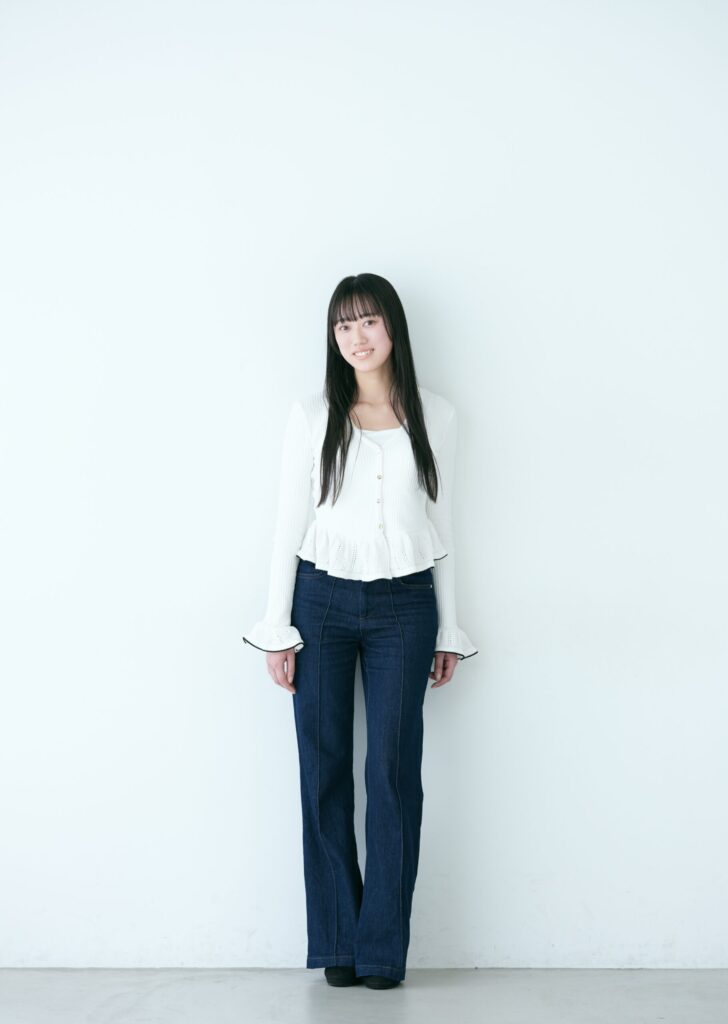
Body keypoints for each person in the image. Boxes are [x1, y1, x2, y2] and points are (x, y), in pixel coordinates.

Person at [242, 272, 478, 990]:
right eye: (343, 325)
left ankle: (381, 951)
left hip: (407, 606)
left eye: (368, 321)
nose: (356, 336)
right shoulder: (314, 414)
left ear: (392, 327)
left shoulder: (437, 415)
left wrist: (450, 627)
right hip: (320, 602)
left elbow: (442, 526)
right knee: (323, 770)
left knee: (394, 773)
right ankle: (339, 943)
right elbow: (288, 522)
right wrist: (278, 627)